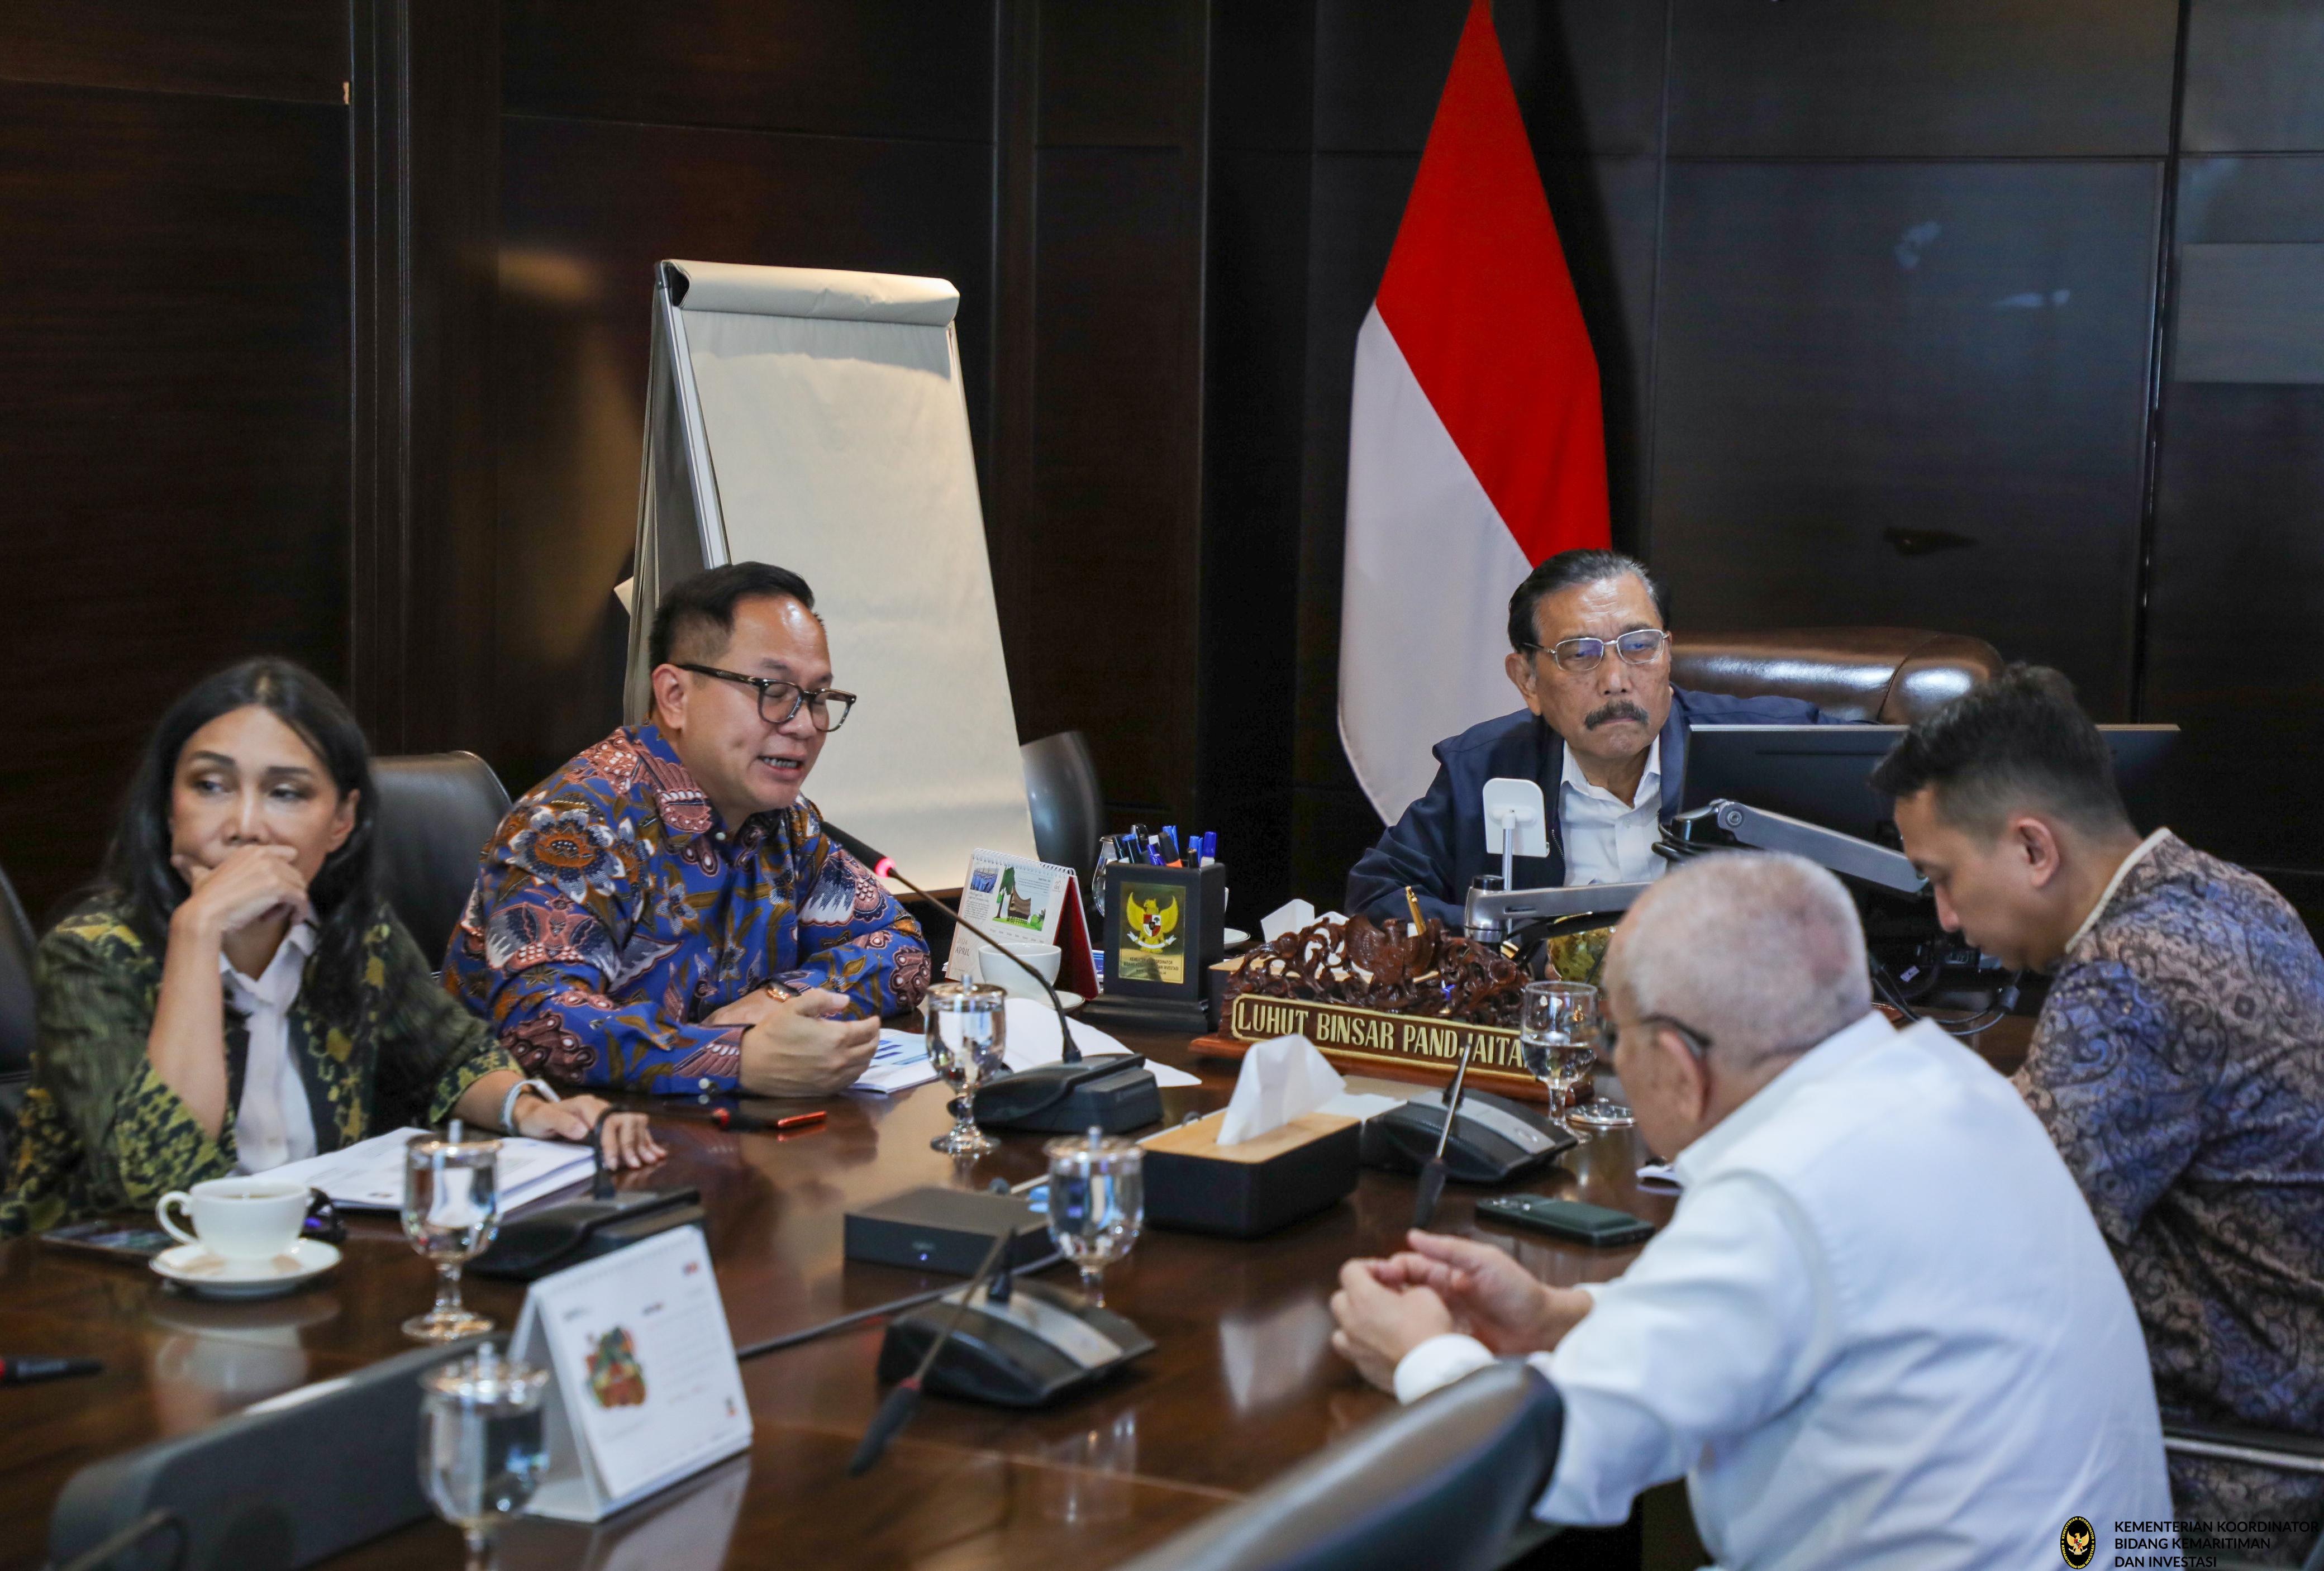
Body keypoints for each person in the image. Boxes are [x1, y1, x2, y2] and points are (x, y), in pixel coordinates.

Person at [1328, 852, 2170, 1569]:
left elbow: (1560, 1463)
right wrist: (1564, 1313)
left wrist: (1421, 1359)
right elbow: (1789, 1308)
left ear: (1674, 1064)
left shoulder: (1782, 1191)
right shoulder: (1949, 1088)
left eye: (1612, 1043)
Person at [1875, 665, 2324, 1543]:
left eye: (1943, 878)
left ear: (2034, 849)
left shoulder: (2129, 978)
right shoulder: (2230, 894)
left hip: (2216, 1492)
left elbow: (1998, 1249)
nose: (1947, 920)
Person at [1, 659, 662, 1239]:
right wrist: (197, 936)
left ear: (340, 821)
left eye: (286, 793)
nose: (244, 825)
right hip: (98, 1305)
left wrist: (535, 1110)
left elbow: (451, 1059)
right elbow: (157, 1182)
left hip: (308, 1271)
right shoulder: (90, 954)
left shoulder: (352, 932)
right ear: (168, 806)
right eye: (209, 785)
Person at [447, 563, 932, 1097]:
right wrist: (735, 1057)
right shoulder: (578, 824)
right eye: (773, 690)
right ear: (675, 696)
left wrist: (775, 1003)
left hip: (708, 1137)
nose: (803, 724)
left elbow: (900, 950)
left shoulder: (786, 824)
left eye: (817, 697)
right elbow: (544, 1024)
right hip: (537, 1152)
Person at [1346, 550, 1837, 926]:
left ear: (1668, 653)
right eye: (1581, 654)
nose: (1616, 680)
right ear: (1528, 681)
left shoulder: (1767, 745)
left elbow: (1899, 784)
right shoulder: (1482, 768)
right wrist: (1514, 944)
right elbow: (1378, 895)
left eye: (1639, 647)